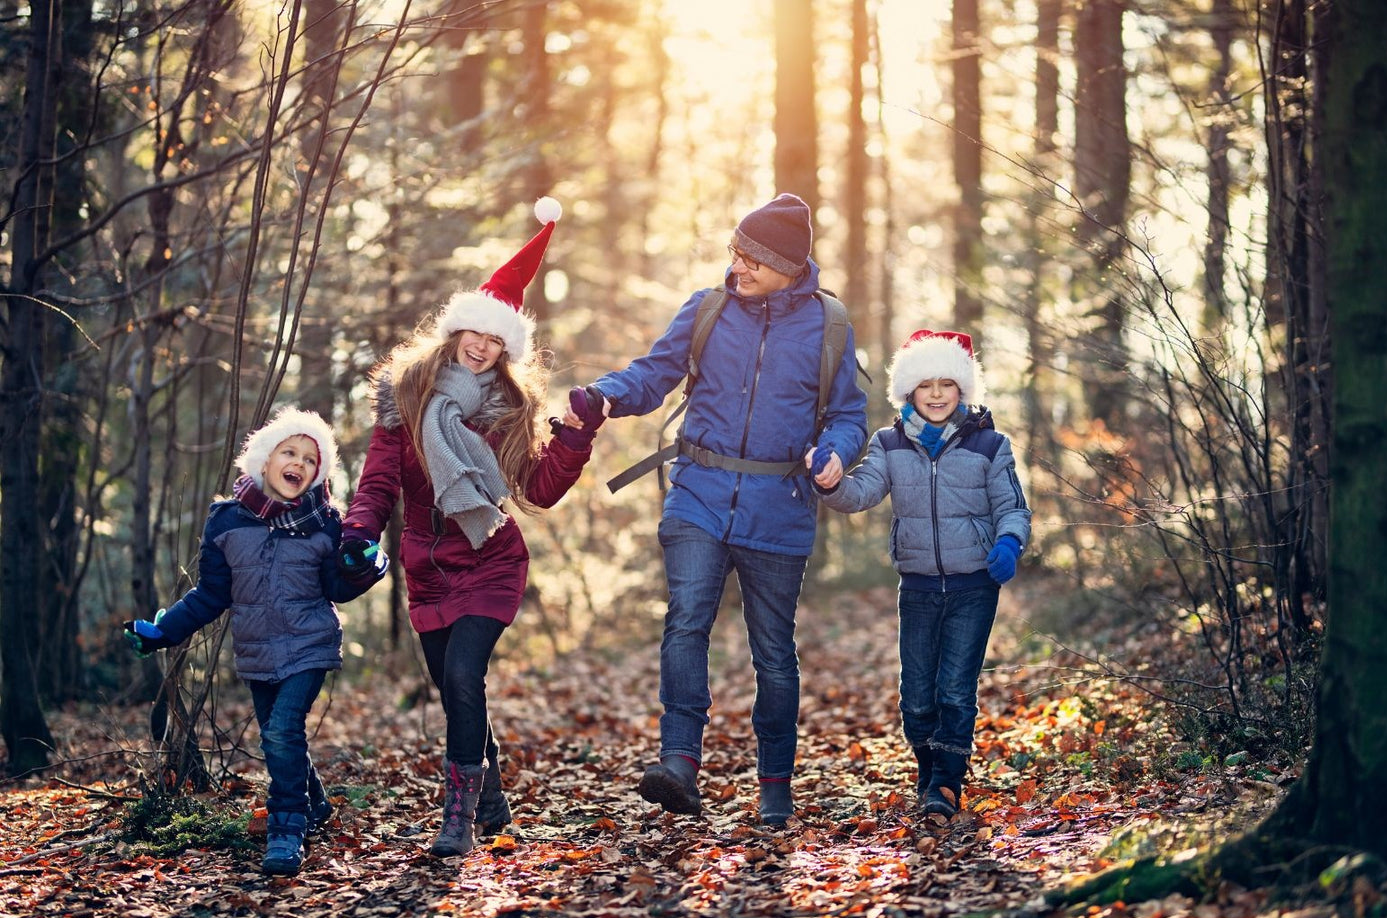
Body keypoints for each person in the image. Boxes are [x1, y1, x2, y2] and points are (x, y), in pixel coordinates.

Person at [566, 193, 869, 827]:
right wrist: (602, 396)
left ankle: (776, 786)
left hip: (780, 507)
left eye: (752, 258)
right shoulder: (707, 309)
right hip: (699, 495)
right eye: (736, 253)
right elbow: (653, 374)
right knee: (685, 621)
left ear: (788, 265)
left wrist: (837, 452)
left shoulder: (829, 325)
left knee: (773, 652)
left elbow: (847, 415)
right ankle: (678, 762)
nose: (738, 266)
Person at [341, 197, 600, 858]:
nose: (481, 347)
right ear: (455, 333)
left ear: (507, 347)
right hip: (426, 566)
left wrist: (573, 438)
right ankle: (491, 801)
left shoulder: (510, 409)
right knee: (454, 689)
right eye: (473, 335)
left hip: (489, 558)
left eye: (495, 341)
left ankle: (454, 818)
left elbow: (539, 489)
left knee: (463, 677)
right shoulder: (406, 395)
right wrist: (357, 531)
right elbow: (377, 480)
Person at [123, 406, 388, 876]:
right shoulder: (227, 523)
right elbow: (210, 595)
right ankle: (316, 805)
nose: (300, 463)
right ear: (264, 460)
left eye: (312, 460)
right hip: (256, 650)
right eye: (290, 452)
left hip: (309, 645)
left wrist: (367, 566)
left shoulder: (325, 522)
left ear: (318, 475)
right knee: (280, 737)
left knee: (281, 733)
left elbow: (338, 589)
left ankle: (287, 831)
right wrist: (164, 631)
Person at [812, 329, 1031, 818]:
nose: (935, 394)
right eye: (925, 384)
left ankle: (946, 785)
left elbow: (1012, 507)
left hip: (975, 585)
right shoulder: (889, 444)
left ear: (963, 390)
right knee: (916, 699)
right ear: (908, 390)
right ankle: (929, 770)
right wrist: (830, 482)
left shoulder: (990, 444)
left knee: (954, 689)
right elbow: (860, 492)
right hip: (918, 588)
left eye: (947, 384)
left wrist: (1009, 543)